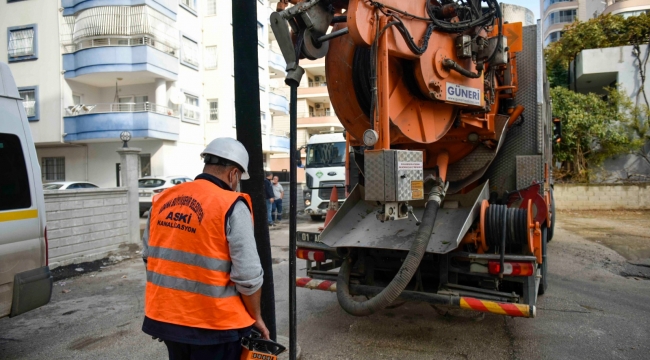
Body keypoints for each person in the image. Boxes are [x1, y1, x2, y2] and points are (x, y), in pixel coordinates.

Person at [141, 137, 269, 360]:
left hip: (168, 321)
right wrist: (256, 316)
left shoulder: (163, 199)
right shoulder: (230, 204)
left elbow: (148, 258)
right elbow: (248, 276)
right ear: (234, 174)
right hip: (216, 325)